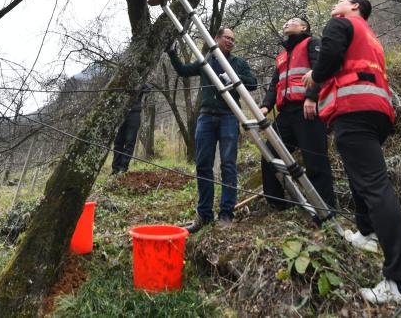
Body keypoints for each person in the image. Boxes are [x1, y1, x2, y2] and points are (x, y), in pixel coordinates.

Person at [303, 0, 401, 304]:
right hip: (376, 111)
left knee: (375, 187)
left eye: (341, 0)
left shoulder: (341, 23)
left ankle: (400, 282)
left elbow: (328, 59)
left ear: (355, 6)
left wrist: (313, 78)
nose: (335, 4)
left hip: (353, 110)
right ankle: (367, 233)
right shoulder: (370, 36)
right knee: (362, 180)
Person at [168, 27, 257, 232]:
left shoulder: (238, 63)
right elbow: (183, 70)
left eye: (233, 39)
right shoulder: (205, 61)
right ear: (216, 38)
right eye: (227, 37)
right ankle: (204, 216)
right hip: (206, 116)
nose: (230, 41)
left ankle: (226, 214)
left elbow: (252, 83)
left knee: (228, 166)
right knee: (203, 165)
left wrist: (234, 79)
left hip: (228, 116)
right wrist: (172, 53)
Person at [258, 16, 337, 214]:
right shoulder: (282, 56)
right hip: (285, 114)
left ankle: (326, 211)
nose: (286, 23)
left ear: (304, 27)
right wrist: (266, 106)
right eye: (285, 21)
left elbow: (321, 69)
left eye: (292, 21)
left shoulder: (313, 43)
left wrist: (311, 97)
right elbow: (274, 85)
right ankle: (277, 205)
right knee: (269, 156)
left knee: (315, 161)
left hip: (307, 110)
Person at [111, 85, 149, 175]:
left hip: (134, 114)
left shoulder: (139, 81)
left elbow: (148, 89)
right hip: (121, 114)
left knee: (130, 142)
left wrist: (141, 90)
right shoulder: (123, 80)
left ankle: (123, 168)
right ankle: (115, 169)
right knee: (118, 142)